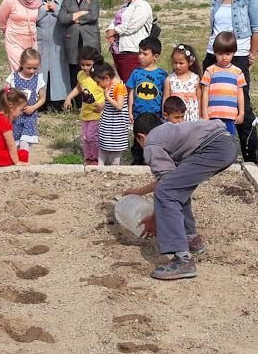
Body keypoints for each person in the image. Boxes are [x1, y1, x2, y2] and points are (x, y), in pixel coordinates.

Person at [124, 114, 238, 280]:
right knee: (176, 187)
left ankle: (183, 260)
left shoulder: (151, 143)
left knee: (166, 192)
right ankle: (190, 238)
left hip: (213, 148)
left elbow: (164, 187)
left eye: (139, 143)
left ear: (141, 137)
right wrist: (140, 191)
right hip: (227, 142)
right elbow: (170, 180)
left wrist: (155, 218)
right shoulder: (169, 133)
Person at [205, 0, 258, 164]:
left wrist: (251, 55)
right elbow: (214, 28)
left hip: (237, 56)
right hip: (213, 54)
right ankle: (214, 150)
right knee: (212, 101)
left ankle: (252, 155)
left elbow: (257, 29)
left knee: (241, 105)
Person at [58, 0, 101, 95]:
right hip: (72, 41)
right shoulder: (67, 0)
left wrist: (73, 17)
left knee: (93, 70)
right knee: (75, 71)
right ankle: (77, 103)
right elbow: (62, 18)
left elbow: (93, 16)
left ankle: (93, 101)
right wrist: (78, 14)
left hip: (90, 40)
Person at [126, 36, 167, 165]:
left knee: (155, 138)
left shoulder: (162, 75)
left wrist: (164, 112)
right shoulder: (136, 73)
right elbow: (131, 92)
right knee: (138, 138)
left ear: (155, 56)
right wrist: (130, 111)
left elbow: (165, 94)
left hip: (155, 115)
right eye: (139, 53)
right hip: (139, 113)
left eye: (145, 54)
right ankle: (138, 160)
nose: (140, 56)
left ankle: (155, 160)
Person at [106, 0, 154, 84]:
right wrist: (109, 30)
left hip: (133, 50)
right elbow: (115, 20)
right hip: (119, 49)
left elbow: (132, 26)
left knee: (131, 84)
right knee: (123, 81)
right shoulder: (125, 5)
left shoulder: (143, 6)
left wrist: (115, 31)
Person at [63, 47, 105, 165]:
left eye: (88, 65)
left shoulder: (100, 75)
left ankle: (97, 158)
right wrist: (69, 97)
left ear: (95, 63)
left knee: (92, 136)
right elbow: (79, 87)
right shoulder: (81, 75)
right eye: (82, 64)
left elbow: (108, 91)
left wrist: (103, 105)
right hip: (85, 112)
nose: (85, 67)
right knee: (85, 137)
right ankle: (88, 157)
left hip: (97, 113)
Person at [200, 32, 246, 136]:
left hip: (230, 116)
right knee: (213, 141)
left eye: (228, 54)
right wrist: (205, 113)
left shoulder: (238, 72)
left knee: (229, 142)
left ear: (234, 53)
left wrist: (241, 113)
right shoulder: (210, 71)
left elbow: (240, 94)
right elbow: (205, 93)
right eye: (220, 54)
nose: (224, 57)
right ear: (215, 53)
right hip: (213, 115)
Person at [0, 0, 40, 73]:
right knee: (18, 69)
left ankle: (29, 90)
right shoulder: (10, 1)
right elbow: (1, 20)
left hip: (31, 41)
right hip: (14, 41)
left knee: (31, 70)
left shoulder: (37, 2)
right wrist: (10, 32)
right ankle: (17, 90)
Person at [5, 48, 46, 156]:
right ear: (21, 64)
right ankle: (14, 158)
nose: (32, 71)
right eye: (29, 68)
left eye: (35, 68)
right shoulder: (13, 78)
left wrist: (33, 107)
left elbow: (42, 98)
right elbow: (5, 95)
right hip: (14, 116)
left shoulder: (38, 80)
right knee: (14, 138)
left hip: (30, 116)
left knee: (25, 139)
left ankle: (24, 158)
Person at [37, 0, 68, 110]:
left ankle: (59, 102)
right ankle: (41, 101)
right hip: (41, 43)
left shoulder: (63, 0)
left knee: (59, 72)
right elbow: (32, 18)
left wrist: (55, 10)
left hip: (58, 42)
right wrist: (44, 9)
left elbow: (67, 17)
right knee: (41, 71)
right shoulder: (36, 2)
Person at [91, 62, 129, 166]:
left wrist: (107, 97)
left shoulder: (118, 87)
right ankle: (100, 167)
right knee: (103, 147)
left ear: (106, 78)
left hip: (116, 125)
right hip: (108, 123)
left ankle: (114, 169)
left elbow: (119, 106)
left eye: (98, 82)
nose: (98, 85)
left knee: (115, 152)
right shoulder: (109, 87)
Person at [164, 44, 202, 122]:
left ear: (190, 62)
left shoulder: (195, 78)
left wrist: (200, 115)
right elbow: (166, 99)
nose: (178, 66)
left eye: (181, 63)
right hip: (175, 116)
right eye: (175, 63)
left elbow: (199, 99)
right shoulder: (170, 79)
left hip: (192, 116)